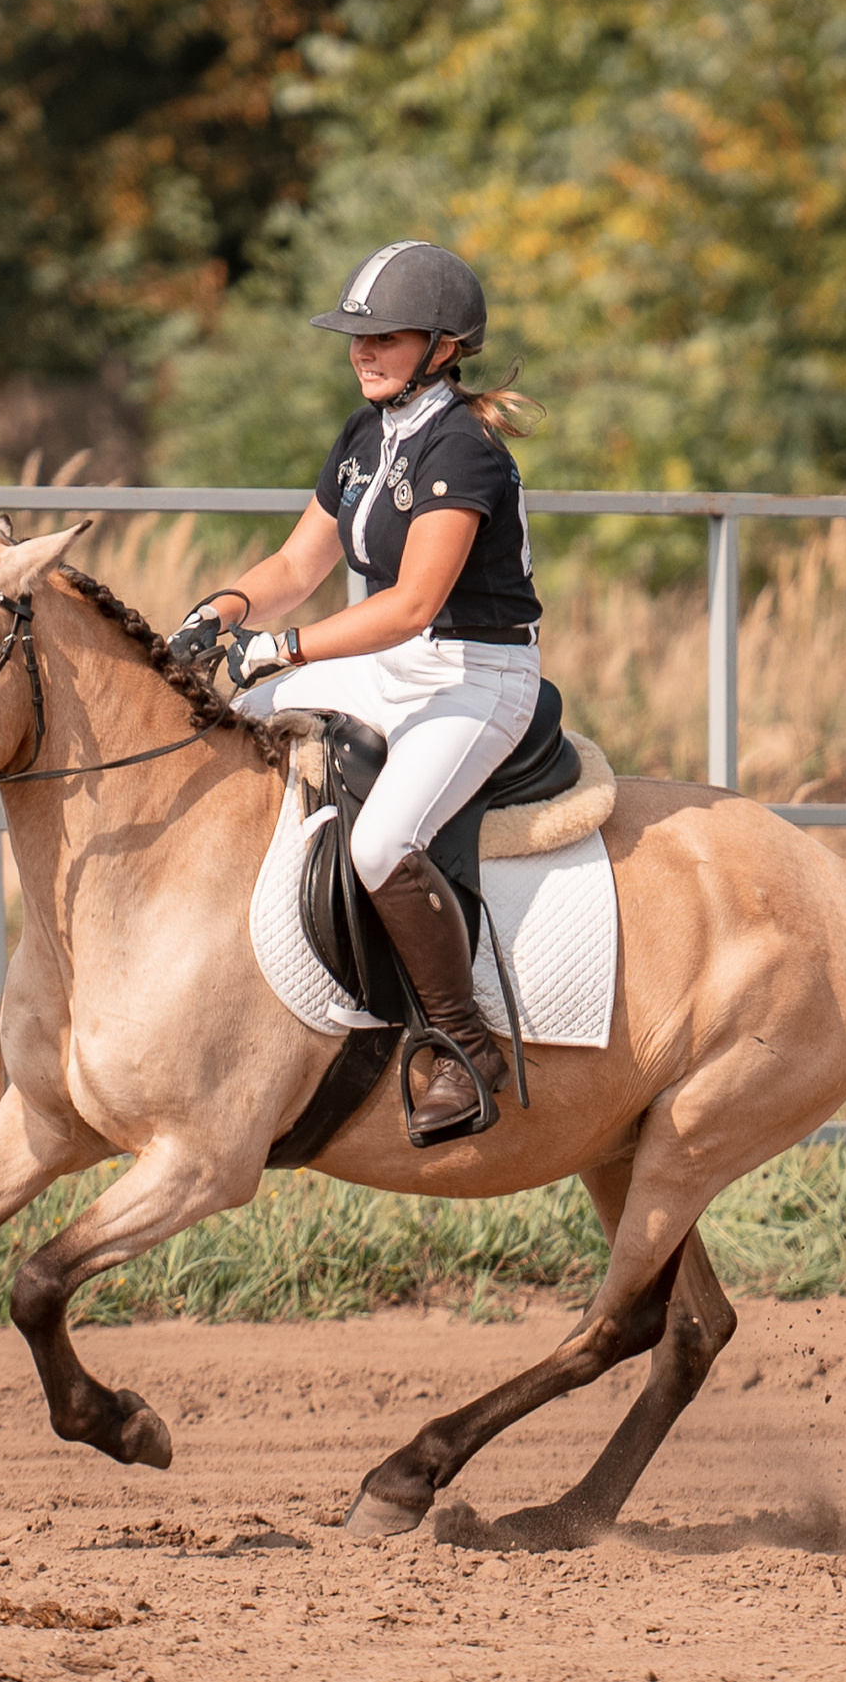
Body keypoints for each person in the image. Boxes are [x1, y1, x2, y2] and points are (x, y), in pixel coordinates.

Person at [167, 240, 544, 1146]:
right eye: (355, 337)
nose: (363, 352)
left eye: (385, 337)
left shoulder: (467, 448)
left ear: (444, 346)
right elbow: (300, 563)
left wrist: (285, 647)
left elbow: (413, 605)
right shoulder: (366, 435)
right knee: (228, 724)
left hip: (475, 675)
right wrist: (218, 613)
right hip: (388, 661)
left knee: (382, 843)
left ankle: (464, 1049)